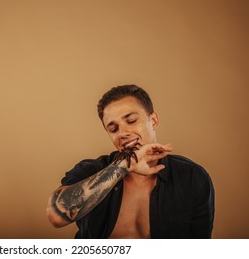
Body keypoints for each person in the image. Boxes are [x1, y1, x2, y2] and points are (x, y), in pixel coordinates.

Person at [46, 84, 215, 239]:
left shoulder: (192, 177)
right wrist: (124, 166)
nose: (123, 133)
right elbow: (56, 216)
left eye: (131, 120)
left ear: (154, 120)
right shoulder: (90, 171)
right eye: (113, 129)